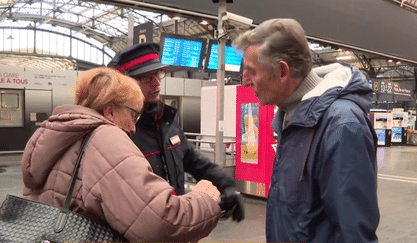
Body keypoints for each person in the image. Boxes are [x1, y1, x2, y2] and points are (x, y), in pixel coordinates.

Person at [21, 67, 222, 242]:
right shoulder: (106, 138)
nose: (134, 128)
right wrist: (203, 199)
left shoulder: (53, 134)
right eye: (133, 115)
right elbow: (158, 220)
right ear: (110, 110)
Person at [233, 18, 380, 242]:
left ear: (282, 71)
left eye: (251, 71)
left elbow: (354, 234)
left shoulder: (342, 126)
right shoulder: (291, 118)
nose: (245, 82)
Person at [107, 42, 244, 222]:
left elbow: (193, 160)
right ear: (126, 83)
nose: (156, 82)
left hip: (175, 226)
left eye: (157, 74)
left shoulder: (165, 121)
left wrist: (226, 184)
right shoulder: (120, 131)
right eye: (146, 77)